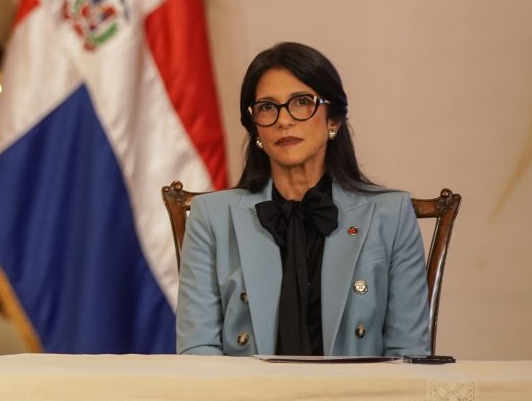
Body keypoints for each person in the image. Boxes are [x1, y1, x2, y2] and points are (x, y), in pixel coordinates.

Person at [176, 42, 429, 357]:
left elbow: (408, 352)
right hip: (246, 389)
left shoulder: (391, 214)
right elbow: (198, 349)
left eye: (301, 102)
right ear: (255, 128)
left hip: (358, 389)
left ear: (333, 120)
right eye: (267, 107)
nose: (284, 120)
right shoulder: (211, 216)